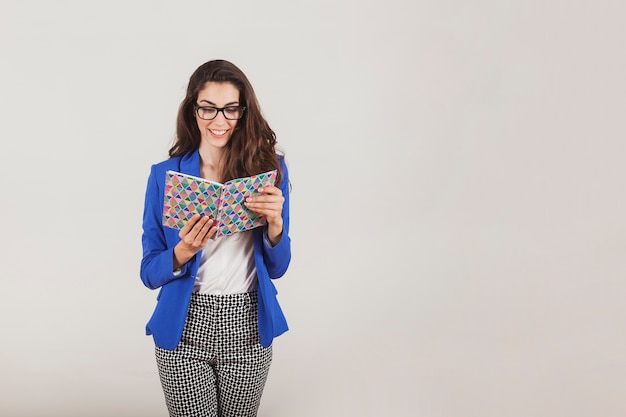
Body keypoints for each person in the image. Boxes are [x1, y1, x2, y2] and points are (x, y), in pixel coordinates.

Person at [140, 59, 291, 417]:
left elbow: (280, 267)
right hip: (184, 327)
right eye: (208, 108)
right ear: (193, 109)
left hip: (248, 326)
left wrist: (275, 226)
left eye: (230, 109)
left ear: (244, 112)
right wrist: (182, 250)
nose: (219, 121)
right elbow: (149, 272)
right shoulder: (165, 176)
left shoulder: (270, 169)